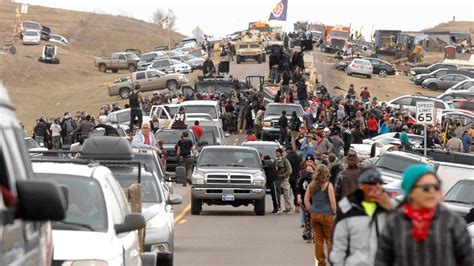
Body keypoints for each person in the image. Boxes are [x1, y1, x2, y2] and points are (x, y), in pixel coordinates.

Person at [375, 164, 473, 265]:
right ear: (411, 191)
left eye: (436, 187)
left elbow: (466, 261)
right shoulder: (395, 221)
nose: (432, 191)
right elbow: (382, 260)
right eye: (426, 188)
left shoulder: (452, 222)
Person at [330, 167, 395, 266]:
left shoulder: (391, 205)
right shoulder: (347, 208)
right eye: (372, 183)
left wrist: (391, 210)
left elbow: (402, 238)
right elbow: (338, 248)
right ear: (361, 185)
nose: (377, 187)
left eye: (380, 183)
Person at [304, 164, 336, 265]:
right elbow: (332, 202)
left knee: (318, 240)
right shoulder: (328, 185)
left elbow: (306, 200)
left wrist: (311, 210)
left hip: (315, 214)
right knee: (329, 239)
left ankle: (321, 263)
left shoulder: (311, 185)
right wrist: (335, 213)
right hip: (327, 215)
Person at [275, 148, 293, 213]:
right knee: (277, 193)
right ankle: (278, 207)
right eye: (276, 153)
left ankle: (289, 208)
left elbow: (289, 170)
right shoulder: (276, 161)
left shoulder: (285, 160)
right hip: (278, 179)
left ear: (281, 153)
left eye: (277, 153)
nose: (276, 154)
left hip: (285, 179)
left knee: (286, 193)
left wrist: (284, 175)